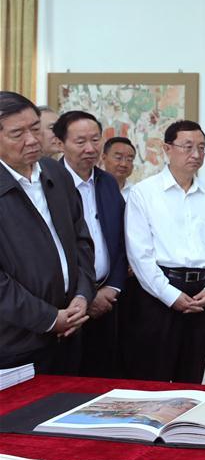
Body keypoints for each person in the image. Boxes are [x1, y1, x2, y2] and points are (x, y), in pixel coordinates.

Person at [124, 120, 205, 383]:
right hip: (158, 293)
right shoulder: (144, 193)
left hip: (203, 294)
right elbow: (140, 256)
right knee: (154, 375)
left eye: (202, 148)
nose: (195, 155)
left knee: (192, 376)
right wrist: (171, 295)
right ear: (167, 149)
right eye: (187, 147)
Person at [0, 92, 95, 374]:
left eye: (35, 128)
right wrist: (49, 318)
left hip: (71, 329)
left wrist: (83, 295)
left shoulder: (55, 173)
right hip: (16, 342)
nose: (32, 140)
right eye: (18, 133)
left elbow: (82, 241)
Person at [55, 111, 128, 378]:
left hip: (108, 298)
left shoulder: (107, 182)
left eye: (95, 140)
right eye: (80, 141)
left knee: (104, 375)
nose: (90, 149)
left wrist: (113, 287)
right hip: (68, 303)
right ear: (60, 143)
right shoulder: (49, 183)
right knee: (68, 377)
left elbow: (121, 242)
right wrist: (86, 295)